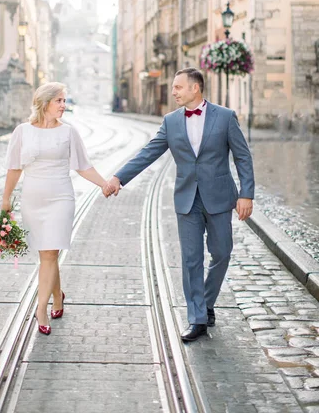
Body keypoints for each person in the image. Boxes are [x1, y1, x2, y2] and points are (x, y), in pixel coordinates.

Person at [104, 68, 254, 342]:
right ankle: (197, 318)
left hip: (219, 196)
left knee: (222, 253)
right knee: (191, 260)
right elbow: (149, 152)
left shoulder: (225, 117)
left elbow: (243, 157)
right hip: (187, 199)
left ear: (195, 88)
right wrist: (117, 177)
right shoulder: (171, 121)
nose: (173, 92)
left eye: (178, 87)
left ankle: (206, 302)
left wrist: (247, 194)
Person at [2, 82, 109, 336]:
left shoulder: (68, 132)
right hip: (33, 199)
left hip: (61, 198)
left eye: (64, 100)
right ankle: (58, 295)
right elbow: (14, 167)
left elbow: (83, 166)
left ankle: (41, 309)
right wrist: (6, 199)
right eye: (59, 100)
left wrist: (104, 184)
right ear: (45, 102)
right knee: (47, 253)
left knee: (50, 253)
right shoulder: (23, 131)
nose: (63, 105)